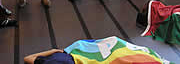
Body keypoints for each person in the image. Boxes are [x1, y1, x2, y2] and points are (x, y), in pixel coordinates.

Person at [24, 36, 170, 64]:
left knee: (117, 45)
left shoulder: (49, 61)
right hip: (75, 54)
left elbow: (27, 59)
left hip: (76, 53)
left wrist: (53, 51)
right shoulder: (51, 59)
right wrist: (53, 50)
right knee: (119, 47)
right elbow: (28, 58)